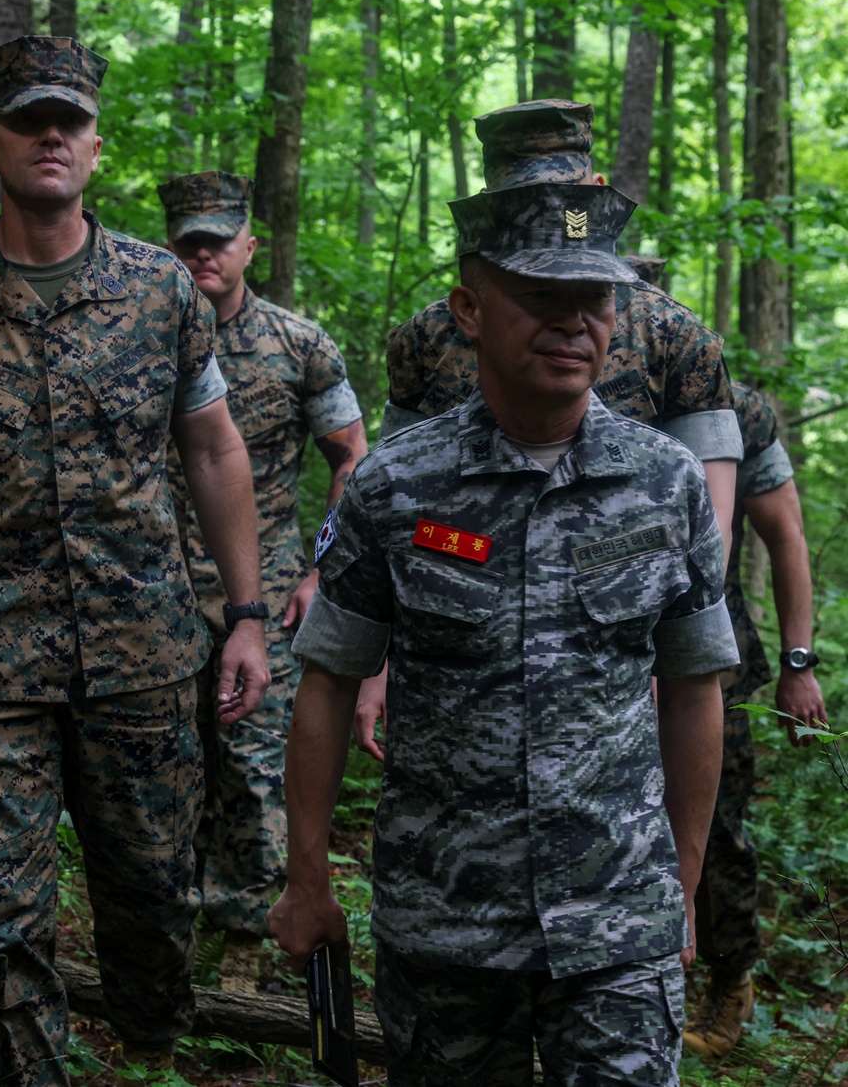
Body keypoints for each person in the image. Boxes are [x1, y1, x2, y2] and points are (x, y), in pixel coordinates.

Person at [0, 36, 270, 1086]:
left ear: (94, 147)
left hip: (143, 652)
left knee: (151, 892)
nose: (52, 135)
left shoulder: (160, 291)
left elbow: (214, 448)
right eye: (31, 119)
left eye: (71, 121)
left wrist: (248, 613)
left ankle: (148, 1045)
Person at [268, 180, 739, 1085]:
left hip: (616, 929)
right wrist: (307, 879)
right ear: (471, 310)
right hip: (446, 928)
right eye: (542, 297)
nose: (573, 324)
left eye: (594, 300)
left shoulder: (666, 482)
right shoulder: (397, 484)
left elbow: (692, 690)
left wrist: (678, 892)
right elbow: (328, 681)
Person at [355, 98, 743, 761]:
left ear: (591, 192)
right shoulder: (427, 338)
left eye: (559, 192)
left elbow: (711, 515)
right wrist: (376, 666)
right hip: (464, 663)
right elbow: (392, 522)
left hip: (623, 637)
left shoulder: (678, 337)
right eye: (524, 196)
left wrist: (651, 650)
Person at [155, 171, 368, 991]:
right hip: (154, 588)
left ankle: (246, 940)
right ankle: (167, 925)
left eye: (219, 237)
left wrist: (322, 568)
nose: (204, 251)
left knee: (253, 764)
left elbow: (351, 459)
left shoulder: (299, 343)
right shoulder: (142, 332)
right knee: (166, 765)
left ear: (251, 244)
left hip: (268, 590)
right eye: (188, 239)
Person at [683, 381, 827, 1058]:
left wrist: (799, 664)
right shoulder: (561, 383)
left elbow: (786, 535)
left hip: (718, 657)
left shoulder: (731, 407)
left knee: (717, 827)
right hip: (600, 655)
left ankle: (727, 982)